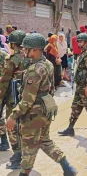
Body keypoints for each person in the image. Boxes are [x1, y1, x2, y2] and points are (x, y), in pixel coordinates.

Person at [5, 33, 77, 176]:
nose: (25, 52)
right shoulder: (47, 64)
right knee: (45, 141)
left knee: (28, 146)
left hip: (34, 113)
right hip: (46, 108)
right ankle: (67, 167)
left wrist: (13, 116)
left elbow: (27, 100)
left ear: (36, 50)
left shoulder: (34, 71)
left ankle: (24, 174)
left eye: (27, 49)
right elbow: (51, 88)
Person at [58, 33, 87, 137]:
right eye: (78, 41)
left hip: (85, 87)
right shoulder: (82, 53)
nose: (79, 43)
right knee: (75, 107)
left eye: (81, 41)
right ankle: (70, 128)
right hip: (79, 86)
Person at [0, 31, 28, 170]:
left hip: (14, 98)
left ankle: (18, 155)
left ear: (12, 44)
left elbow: (4, 82)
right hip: (28, 97)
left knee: (12, 126)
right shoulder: (31, 57)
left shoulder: (12, 59)